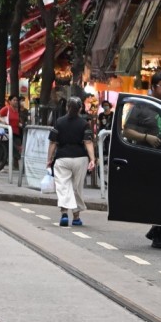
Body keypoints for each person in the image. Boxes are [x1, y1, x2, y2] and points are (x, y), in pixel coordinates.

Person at [123, 71, 161, 249]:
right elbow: (127, 131)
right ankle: (158, 233)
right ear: (153, 87)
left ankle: (157, 229)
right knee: (159, 194)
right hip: (151, 156)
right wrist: (146, 137)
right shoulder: (141, 106)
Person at [47, 96, 96, 227]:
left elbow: (53, 142)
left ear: (67, 107)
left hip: (62, 158)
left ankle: (64, 214)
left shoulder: (59, 122)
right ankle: (76, 217)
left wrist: (49, 159)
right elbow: (88, 142)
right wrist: (92, 159)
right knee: (77, 187)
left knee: (63, 186)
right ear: (80, 108)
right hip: (80, 158)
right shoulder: (84, 124)